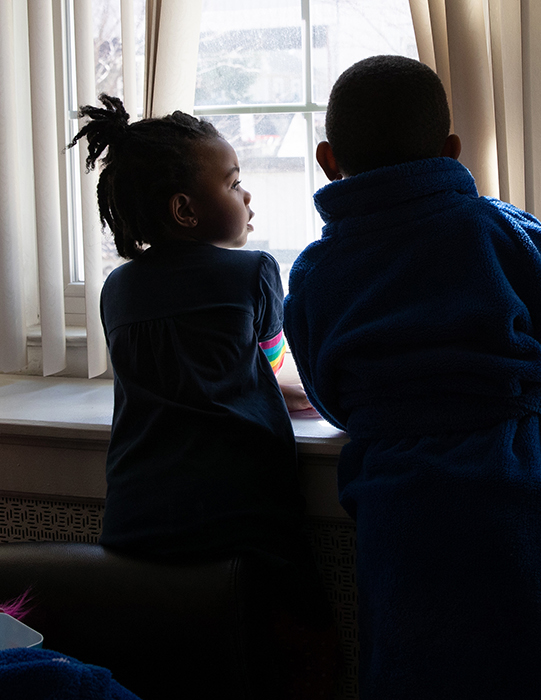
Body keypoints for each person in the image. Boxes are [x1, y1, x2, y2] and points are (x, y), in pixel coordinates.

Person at [284, 56, 541, 699]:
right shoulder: (507, 233)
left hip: (398, 502)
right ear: (451, 150)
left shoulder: (315, 272)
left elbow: (329, 392)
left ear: (328, 159)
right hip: (524, 479)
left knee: (416, 666)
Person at [70, 95, 334, 698]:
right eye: (235, 183)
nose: (247, 198)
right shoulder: (253, 273)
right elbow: (276, 369)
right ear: (185, 210)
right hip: (242, 515)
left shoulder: (118, 290)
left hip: (138, 517)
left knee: (166, 670)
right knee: (302, 648)